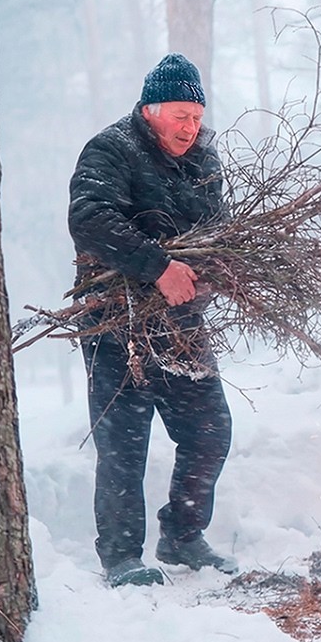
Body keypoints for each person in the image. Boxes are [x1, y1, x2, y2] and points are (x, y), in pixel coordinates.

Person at [68, 53, 238, 587]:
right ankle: (120, 557)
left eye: (197, 116)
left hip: (181, 323)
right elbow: (89, 219)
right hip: (115, 321)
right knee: (124, 443)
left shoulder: (202, 161)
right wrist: (158, 267)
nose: (191, 128)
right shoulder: (111, 148)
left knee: (209, 431)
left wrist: (220, 270)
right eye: (180, 116)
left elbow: (218, 230)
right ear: (150, 110)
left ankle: (182, 535)